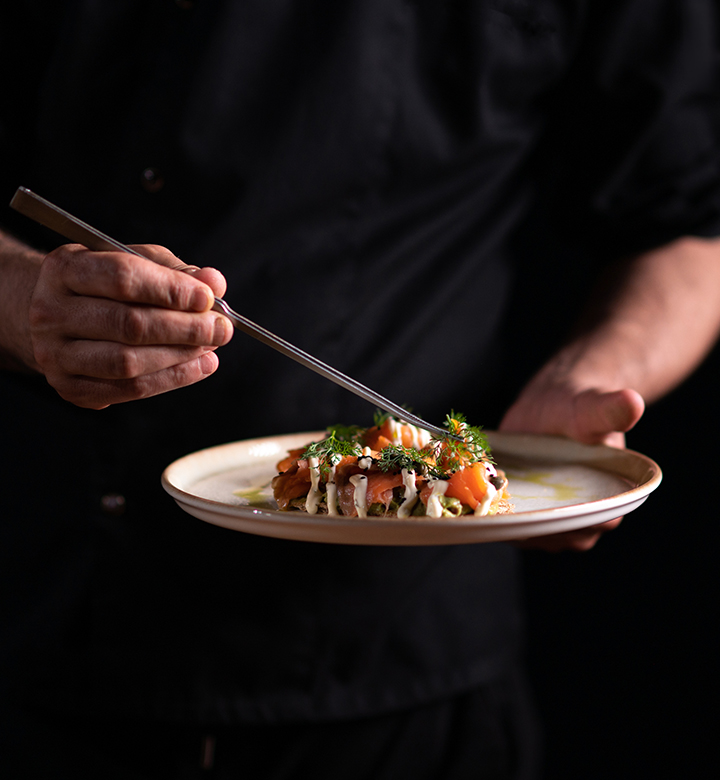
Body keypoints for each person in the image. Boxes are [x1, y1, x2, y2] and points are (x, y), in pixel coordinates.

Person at [1, 1, 719, 777]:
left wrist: (587, 382)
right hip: (50, 630)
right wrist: (20, 300)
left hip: (412, 664)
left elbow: (688, 227)